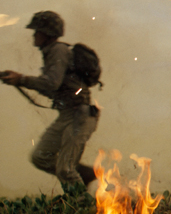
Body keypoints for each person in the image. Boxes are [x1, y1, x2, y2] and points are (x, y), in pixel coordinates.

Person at [0, 11, 99, 192]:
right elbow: (54, 88)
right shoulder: (52, 53)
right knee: (40, 157)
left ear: (46, 33)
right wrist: (17, 80)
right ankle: (85, 175)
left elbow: (51, 83)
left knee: (65, 168)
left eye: (37, 31)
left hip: (80, 115)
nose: (34, 35)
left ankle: (81, 205)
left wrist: (21, 79)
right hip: (68, 114)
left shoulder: (57, 50)